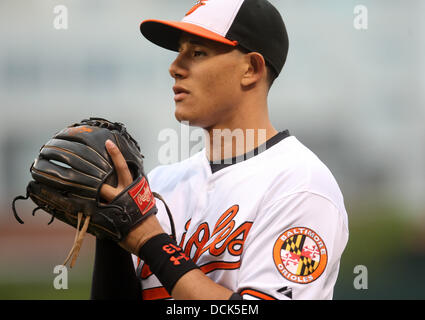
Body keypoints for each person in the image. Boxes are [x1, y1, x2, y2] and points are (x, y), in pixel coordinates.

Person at [90, 0, 349, 300]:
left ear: (251, 69)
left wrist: (150, 240)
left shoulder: (300, 186)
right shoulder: (159, 185)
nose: (175, 68)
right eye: (179, 52)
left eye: (197, 52)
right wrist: (109, 235)